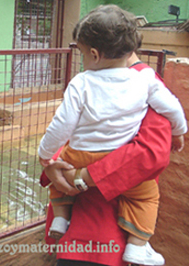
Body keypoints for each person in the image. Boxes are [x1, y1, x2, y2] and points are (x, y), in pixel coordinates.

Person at [38, 5, 187, 266]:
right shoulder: (145, 83)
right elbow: (174, 110)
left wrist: (57, 164)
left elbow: (149, 155)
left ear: (93, 52)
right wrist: (180, 131)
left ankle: (67, 220)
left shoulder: (84, 82)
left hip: (102, 235)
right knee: (147, 196)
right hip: (85, 231)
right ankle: (138, 245)